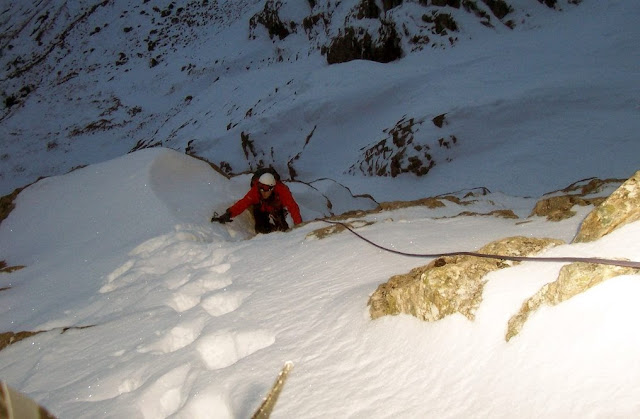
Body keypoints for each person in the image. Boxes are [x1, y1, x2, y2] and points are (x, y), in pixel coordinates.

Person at [213, 168, 302, 233]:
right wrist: (228, 214)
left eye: (266, 189)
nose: (263, 192)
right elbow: (243, 203)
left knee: (284, 229)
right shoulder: (255, 191)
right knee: (261, 229)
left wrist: (299, 226)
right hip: (262, 208)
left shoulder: (282, 190)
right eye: (261, 188)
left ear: (272, 188)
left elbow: (293, 207)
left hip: (276, 207)